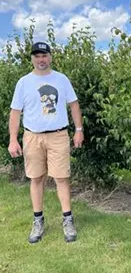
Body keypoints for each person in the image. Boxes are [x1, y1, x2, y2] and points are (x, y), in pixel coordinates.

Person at [8, 42, 84, 244]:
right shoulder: (24, 82)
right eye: (37, 56)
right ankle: (38, 221)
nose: (41, 59)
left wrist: (78, 130)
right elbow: (15, 112)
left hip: (58, 136)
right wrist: (13, 139)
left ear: (50, 57)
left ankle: (68, 221)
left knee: (61, 178)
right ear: (32, 58)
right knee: (36, 178)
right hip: (32, 137)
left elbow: (74, 105)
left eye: (44, 55)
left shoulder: (61, 79)